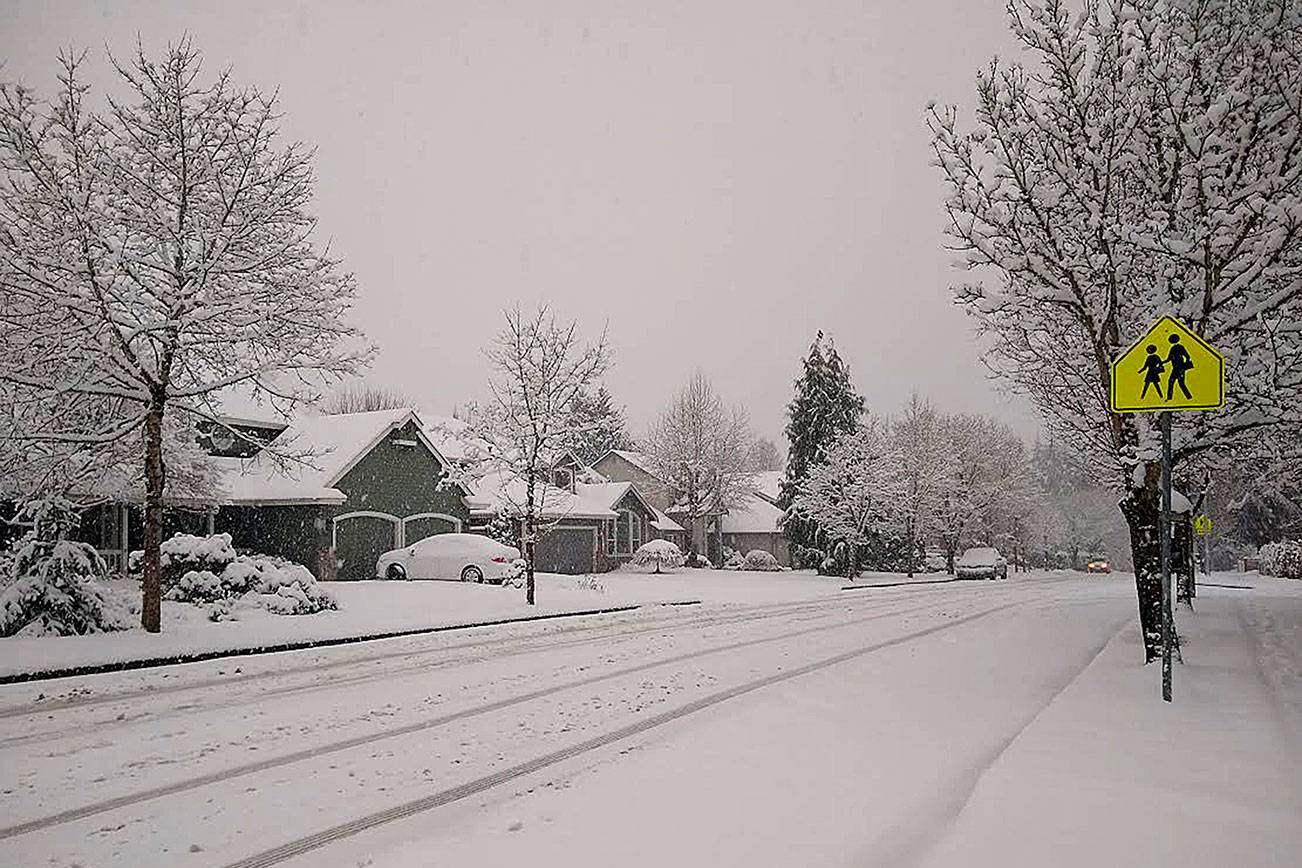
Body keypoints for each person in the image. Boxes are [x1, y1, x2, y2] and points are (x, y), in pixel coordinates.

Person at [1165, 334, 1193, 400]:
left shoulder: (1180, 347)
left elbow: (1187, 356)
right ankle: (1169, 398)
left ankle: (1189, 397)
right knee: (1171, 382)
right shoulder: (1172, 348)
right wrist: (1161, 363)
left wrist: (1185, 366)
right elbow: (1169, 359)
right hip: (1175, 369)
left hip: (1180, 368)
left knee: (1180, 384)